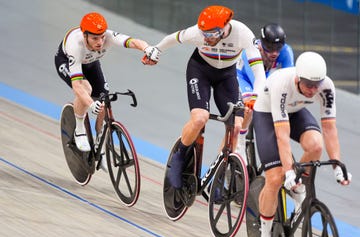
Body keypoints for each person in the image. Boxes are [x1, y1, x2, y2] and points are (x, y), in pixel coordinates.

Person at [143, 5, 267, 189]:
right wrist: (156, 50)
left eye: (212, 34)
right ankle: (178, 159)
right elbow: (173, 38)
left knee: (236, 126)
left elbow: (259, 72)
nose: (207, 38)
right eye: (204, 34)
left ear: (225, 27)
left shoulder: (242, 33)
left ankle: (217, 176)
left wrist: (255, 97)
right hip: (200, 71)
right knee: (200, 118)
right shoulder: (196, 33)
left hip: (227, 76)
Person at [252, 51, 352, 237]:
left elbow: (329, 128)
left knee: (316, 145)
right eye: (308, 85)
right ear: (298, 78)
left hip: (295, 109)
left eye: (317, 85)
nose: (313, 90)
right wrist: (288, 170)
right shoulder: (282, 83)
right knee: (275, 178)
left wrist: (337, 165)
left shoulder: (326, 87)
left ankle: (297, 186)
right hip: (266, 112)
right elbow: (282, 136)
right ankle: (265, 234)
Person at [54, 12, 151, 164]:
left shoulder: (107, 37)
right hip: (66, 62)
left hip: (91, 63)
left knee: (104, 101)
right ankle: (79, 129)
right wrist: (91, 104)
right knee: (86, 89)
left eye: (102, 37)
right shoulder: (75, 45)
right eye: (94, 38)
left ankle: (100, 144)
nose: (100, 42)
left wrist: (147, 49)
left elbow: (132, 42)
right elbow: (77, 86)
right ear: (84, 35)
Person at [235, 23, 294, 160]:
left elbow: (289, 78)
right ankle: (240, 144)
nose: (274, 53)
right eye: (270, 48)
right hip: (244, 77)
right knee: (249, 108)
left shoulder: (286, 52)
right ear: (262, 44)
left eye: (278, 48)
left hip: (266, 76)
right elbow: (257, 82)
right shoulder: (251, 51)